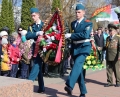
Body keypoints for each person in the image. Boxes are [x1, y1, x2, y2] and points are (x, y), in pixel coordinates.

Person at [64, 4, 93, 97]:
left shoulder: (88, 23)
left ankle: (69, 85)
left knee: (77, 64)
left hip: (84, 47)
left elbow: (85, 35)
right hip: (75, 48)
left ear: (83, 12)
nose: (77, 14)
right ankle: (83, 92)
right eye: (76, 12)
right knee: (78, 70)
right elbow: (72, 38)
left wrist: (71, 35)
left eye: (79, 12)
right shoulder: (73, 23)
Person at [26, 8, 45, 93]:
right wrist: (36, 33)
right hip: (35, 48)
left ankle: (28, 83)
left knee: (37, 65)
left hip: (44, 48)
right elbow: (28, 36)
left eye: (34, 15)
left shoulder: (45, 25)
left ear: (38, 15)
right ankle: (41, 87)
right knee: (38, 66)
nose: (33, 17)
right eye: (32, 16)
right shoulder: (31, 26)